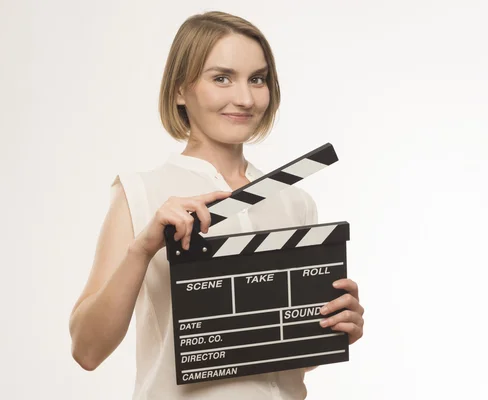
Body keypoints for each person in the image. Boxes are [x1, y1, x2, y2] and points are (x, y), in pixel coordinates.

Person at [69, 11, 364, 400]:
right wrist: (142, 249)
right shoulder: (140, 193)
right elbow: (87, 350)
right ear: (179, 90)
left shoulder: (294, 201)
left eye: (257, 79)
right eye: (221, 77)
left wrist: (336, 327)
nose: (244, 98)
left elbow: (284, 358)